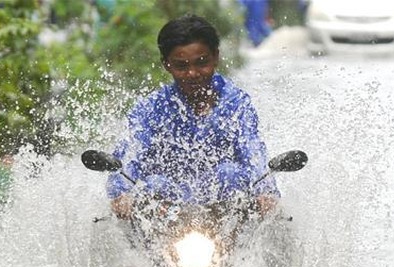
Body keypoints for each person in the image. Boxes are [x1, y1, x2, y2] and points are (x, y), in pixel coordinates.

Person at [108, 14, 279, 219]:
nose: (192, 73)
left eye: (201, 62)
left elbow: (252, 150)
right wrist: (121, 193)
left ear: (215, 57)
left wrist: (266, 191)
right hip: (168, 215)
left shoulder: (236, 104)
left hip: (223, 215)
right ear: (167, 65)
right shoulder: (150, 109)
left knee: (230, 172)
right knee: (154, 184)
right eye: (182, 66)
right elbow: (131, 153)